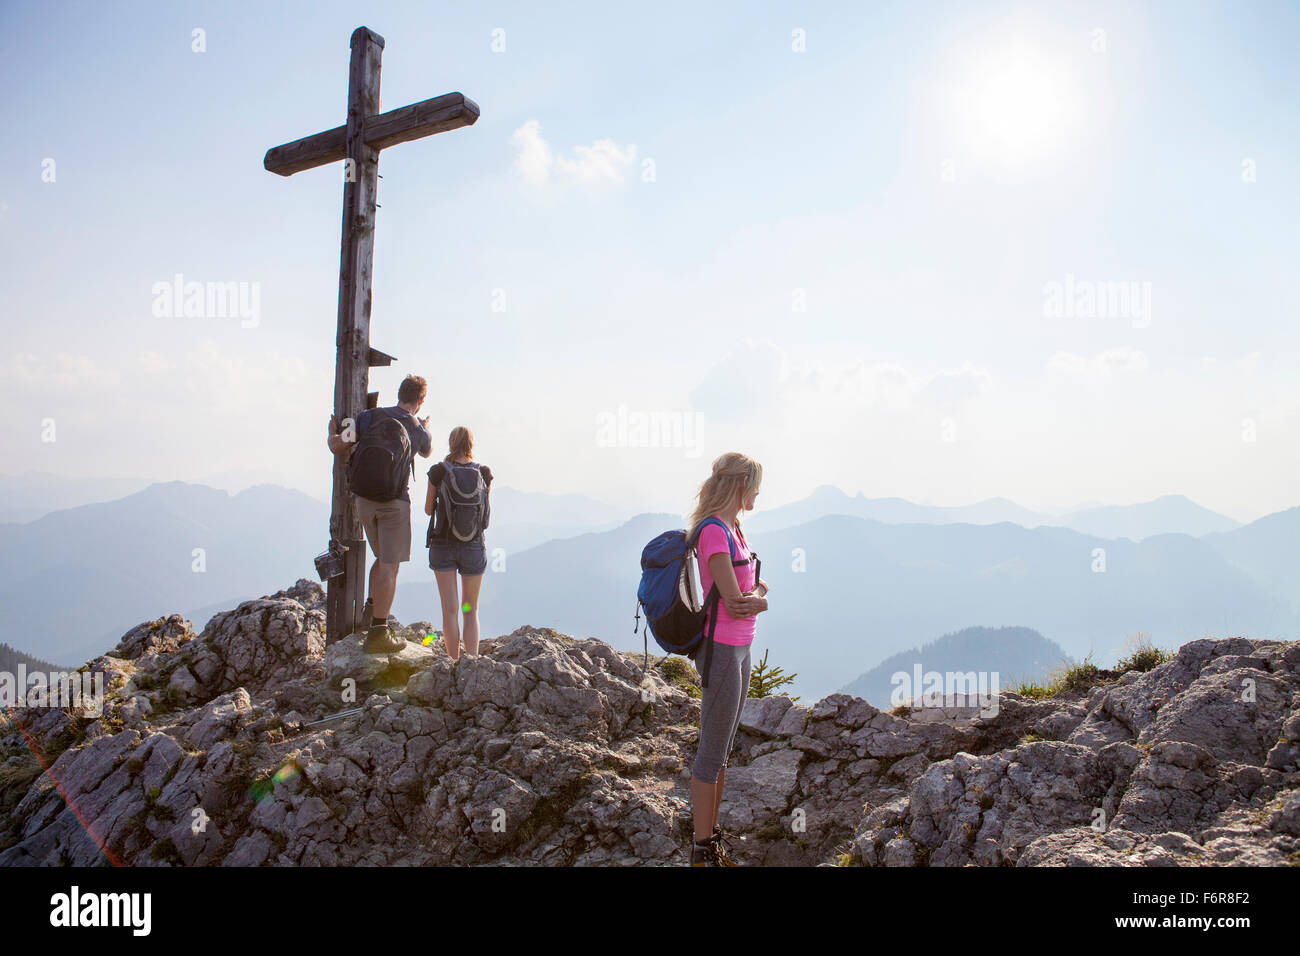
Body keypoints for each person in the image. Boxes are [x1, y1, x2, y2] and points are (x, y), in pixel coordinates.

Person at [688, 452, 770, 867]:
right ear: (740, 485)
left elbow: (748, 586)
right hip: (720, 648)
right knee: (711, 751)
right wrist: (761, 600)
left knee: (723, 749)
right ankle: (701, 851)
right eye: (754, 485)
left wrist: (755, 594)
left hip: (741, 648)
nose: (758, 493)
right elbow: (737, 602)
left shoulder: (736, 529)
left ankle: (711, 838)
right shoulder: (714, 532)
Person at [326, 374, 433, 653]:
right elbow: (427, 452)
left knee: (381, 558)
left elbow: (338, 446)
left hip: (363, 501)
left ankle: (370, 610)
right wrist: (423, 427)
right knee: (390, 566)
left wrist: (331, 433)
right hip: (394, 503)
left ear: (399, 393)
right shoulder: (416, 427)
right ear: (420, 401)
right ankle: (378, 634)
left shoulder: (367, 417)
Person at [424, 426, 493, 661]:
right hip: (473, 546)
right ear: (471, 444)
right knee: (470, 609)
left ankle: (453, 662)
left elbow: (427, 510)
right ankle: (472, 662)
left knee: (450, 610)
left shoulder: (438, 471)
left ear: (451, 443)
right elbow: (484, 515)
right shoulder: (484, 473)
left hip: (443, 546)